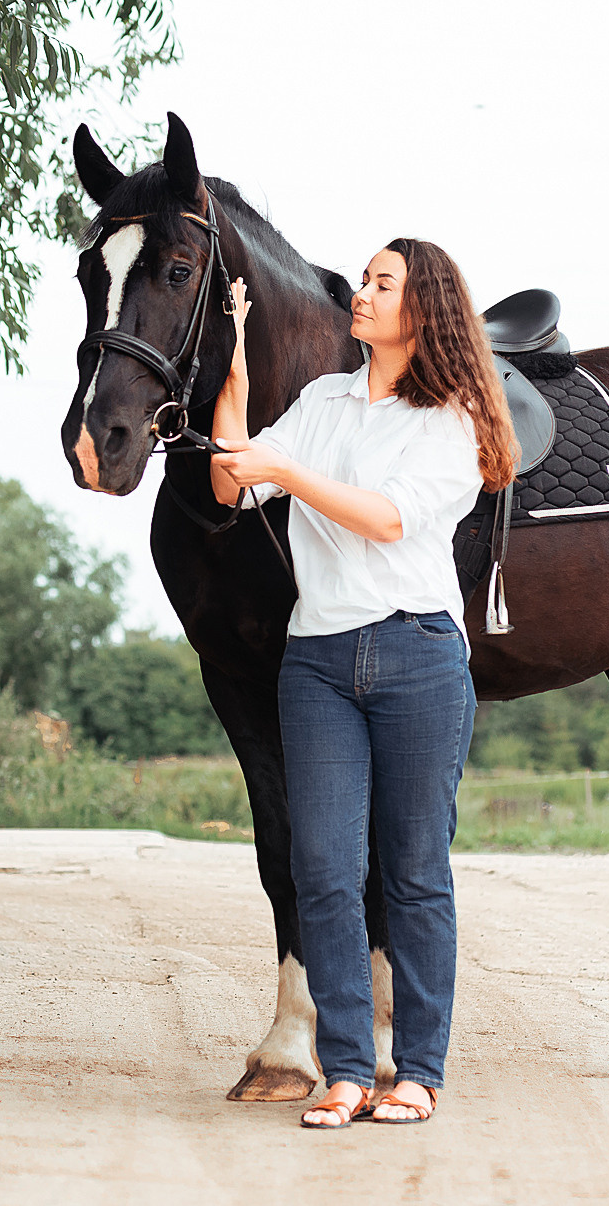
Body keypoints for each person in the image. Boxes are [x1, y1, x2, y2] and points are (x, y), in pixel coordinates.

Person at [210, 238, 517, 1128]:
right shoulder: (321, 402)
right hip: (319, 661)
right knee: (324, 871)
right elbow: (236, 485)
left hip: (420, 657)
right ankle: (346, 1068)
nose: (364, 290)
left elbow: (387, 519)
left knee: (415, 872)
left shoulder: (453, 417)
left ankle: (417, 1070)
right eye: (367, 278)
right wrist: (233, 382)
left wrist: (285, 469)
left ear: (424, 309)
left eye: (385, 282)